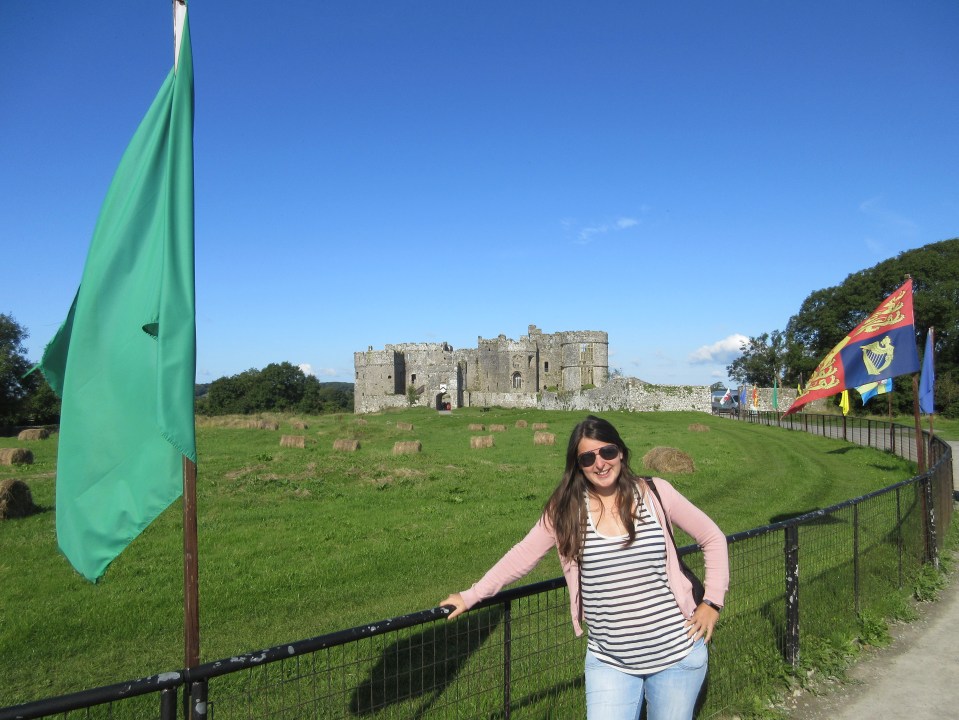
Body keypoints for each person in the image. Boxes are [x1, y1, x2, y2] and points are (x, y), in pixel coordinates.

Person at [440, 415, 729, 720]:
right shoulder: (566, 508)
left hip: (678, 656)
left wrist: (712, 602)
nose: (600, 463)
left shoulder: (655, 493)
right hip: (610, 663)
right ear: (578, 464)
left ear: (621, 452)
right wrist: (471, 595)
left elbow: (712, 537)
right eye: (588, 457)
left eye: (607, 452)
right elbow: (523, 554)